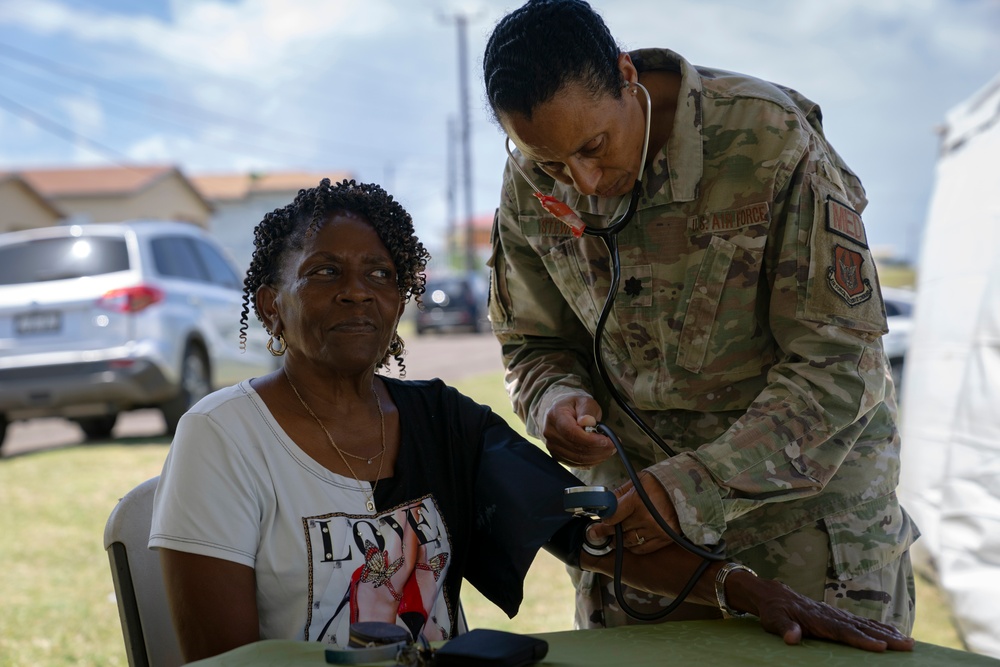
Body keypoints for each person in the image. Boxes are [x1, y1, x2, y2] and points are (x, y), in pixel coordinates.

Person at [149, 178, 914, 662]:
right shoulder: (221, 437)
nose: (359, 293)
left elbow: (585, 533)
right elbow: (222, 659)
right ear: (270, 305)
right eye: (325, 273)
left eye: (382, 275)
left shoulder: (440, 419)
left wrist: (757, 592)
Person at [482, 0, 918, 634]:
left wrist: (692, 486)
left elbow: (840, 364)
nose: (582, 180)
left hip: (801, 534)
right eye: (552, 164)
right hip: (646, 548)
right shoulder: (530, 177)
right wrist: (556, 399)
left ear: (627, 76)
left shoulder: (767, 139)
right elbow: (532, 342)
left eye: (594, 146)